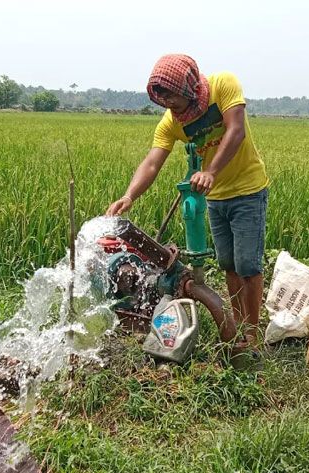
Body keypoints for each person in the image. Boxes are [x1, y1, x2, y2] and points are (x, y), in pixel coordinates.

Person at [105, 54, 270, 349]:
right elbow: (152, 163)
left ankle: (253, 334)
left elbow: (236, 130)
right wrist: (129, 195)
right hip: (215, 198)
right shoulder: (171, 123)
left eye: (176, 103)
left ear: (191, 90)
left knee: (248, 264)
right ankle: (235, 326)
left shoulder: (223, 85)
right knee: (229, 264)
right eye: (166, 104)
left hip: (247, 190)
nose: (173, 110)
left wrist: (211, 171)